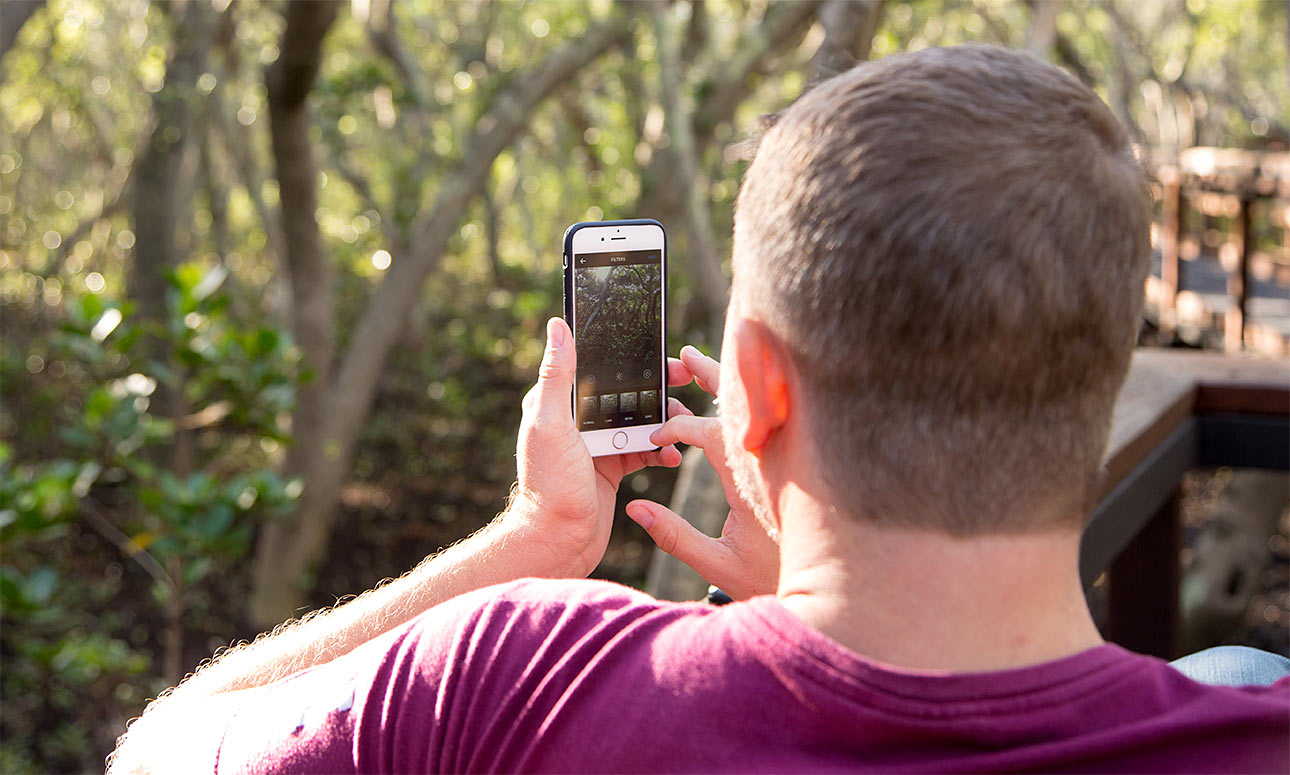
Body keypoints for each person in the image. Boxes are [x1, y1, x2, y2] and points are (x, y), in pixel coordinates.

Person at [108, 45, 1288, 774]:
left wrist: (538, 536)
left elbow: (156, 752)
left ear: (759, 390)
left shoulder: (517, 680)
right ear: (1100, 376)